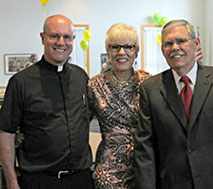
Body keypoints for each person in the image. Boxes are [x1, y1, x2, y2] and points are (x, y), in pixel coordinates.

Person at [134, 19, 213, 189]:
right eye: (168, 43)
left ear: (196, 43)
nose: (175, 48)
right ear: (162, 50)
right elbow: (145, 149)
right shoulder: (150, 89)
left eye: (181, 41)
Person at [0, 14, 93, 189]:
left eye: (67, 37)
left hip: (80, 179)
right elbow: (6, 133)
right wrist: (11, 182)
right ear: (43, 38)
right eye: (54, 36)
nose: (61, 42)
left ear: (73, 40)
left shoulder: (81, 77)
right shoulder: (21, 82)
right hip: (40, 180)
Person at [88, 23, 151, 188]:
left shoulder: (149, 83)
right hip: (109, 171)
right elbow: (76, 123)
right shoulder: (94, 85)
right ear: (108, 51)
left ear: (136, 51)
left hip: (145, 166)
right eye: (115, 47)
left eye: (128, 47)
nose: (121, 53)